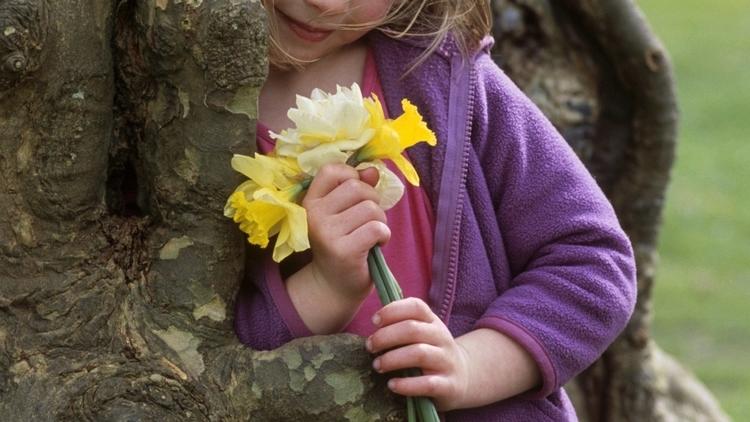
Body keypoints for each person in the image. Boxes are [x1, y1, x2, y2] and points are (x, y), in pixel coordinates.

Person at [234, 1, 637, 420]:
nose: (326, 3)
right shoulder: (184, 123)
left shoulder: (446, 77)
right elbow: (190, 353)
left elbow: (593, 261)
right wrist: (326, 289)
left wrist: (469, 366)